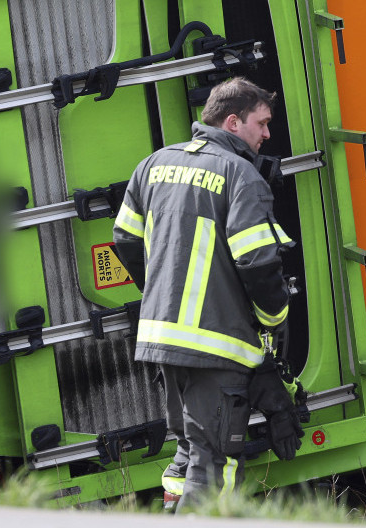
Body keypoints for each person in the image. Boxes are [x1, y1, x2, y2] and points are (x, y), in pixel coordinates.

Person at [113, 77, 294, 510]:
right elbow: (257, 261)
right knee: (216, 466)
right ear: (233, 122)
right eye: (262, 123)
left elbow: (124, 237)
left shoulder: (154, 164)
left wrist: (160, 292)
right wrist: (275, 319)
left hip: (162, 341)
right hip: (214, 346)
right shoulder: (240, 174)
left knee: (189, 453)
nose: (267, 134)